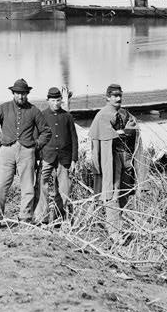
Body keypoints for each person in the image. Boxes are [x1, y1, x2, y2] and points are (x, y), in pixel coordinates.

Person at [0, 79, 51, 223]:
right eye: (17, 93)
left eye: (23, 94)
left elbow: (46, 132)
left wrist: (36, 145)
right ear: (13, 93)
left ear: (27, 94)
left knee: (27, 186)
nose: (20, 97)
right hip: (6, 151)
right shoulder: (3, 108)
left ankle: (25, 216)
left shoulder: (34, 110)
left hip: (27, 151)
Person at [88, 83, 140, 241]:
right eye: (114, 96)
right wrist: (122, 132)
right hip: (110, 159)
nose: (118, 99)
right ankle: (114, 233)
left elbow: (133, 128)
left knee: (125, 191)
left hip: (125, 157)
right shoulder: (103, 115)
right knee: (112, 193)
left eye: (120, 96)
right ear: (107, 97)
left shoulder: (125, 113)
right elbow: (100, 138)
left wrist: (125, 131)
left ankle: (118, 226)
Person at [34, 87, 78, 224]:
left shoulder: (67, 116)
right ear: (48, 100)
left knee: (64, 188)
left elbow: (74, 139)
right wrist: (37, 158)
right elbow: (37, 137)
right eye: (53, 100)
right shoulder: (42, 116)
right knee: (42, 185)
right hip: (46, 156)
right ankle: (42, 218)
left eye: (58, 100)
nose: (56, 103)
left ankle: (60, 217)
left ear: (61, 101)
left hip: (64, 158)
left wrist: (74, 159)